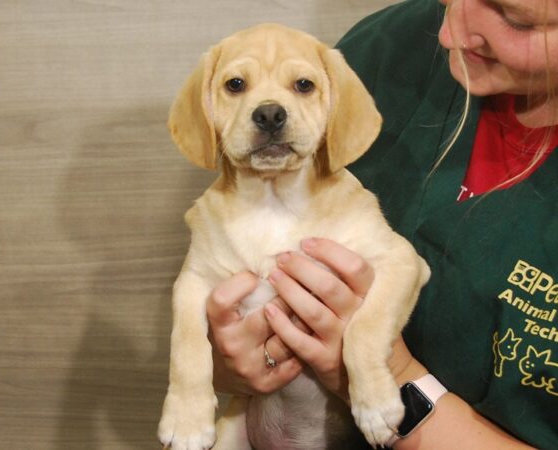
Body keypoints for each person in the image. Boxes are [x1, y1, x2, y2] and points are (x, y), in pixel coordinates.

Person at [206, 0, 558, 448]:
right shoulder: (389, 48)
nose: (449, 34)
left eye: (515, 20)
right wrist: (227, 359)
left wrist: (393, 378)